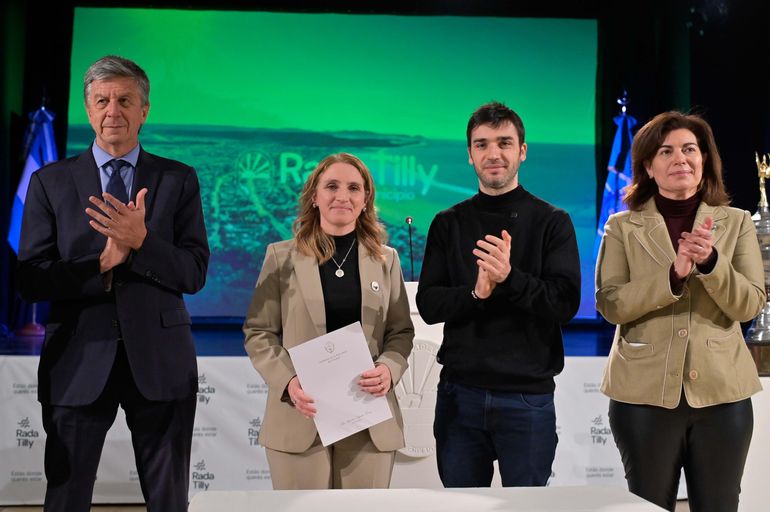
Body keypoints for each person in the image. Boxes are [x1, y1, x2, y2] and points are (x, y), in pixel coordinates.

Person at [17, 55, 209, 512]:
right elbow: (31, 279)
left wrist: (142, 241)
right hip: (77, 361)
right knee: (66, 498)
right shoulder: (49, 182)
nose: (113, 111)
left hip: (160, 363)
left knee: (168, 501)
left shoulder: (178, 179)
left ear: (144, 110)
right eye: (102, 101)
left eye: (125, 100)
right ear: (88, 110)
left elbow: (194, 272)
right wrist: (101, 263)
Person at [595, 111, 764, 512]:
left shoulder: (737, 222)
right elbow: (611, 304)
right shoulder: (622, 226)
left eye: (690, 149)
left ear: (704, 159)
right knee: (648, 505)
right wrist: (673, 276)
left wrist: (711, 264)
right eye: (666, 151)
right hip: (642, 396)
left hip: (723, 396)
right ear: (648, 167)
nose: (680, 159)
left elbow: (750, 303)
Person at [416, 101, 581, 487]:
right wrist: (476, 294)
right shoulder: (447, 223)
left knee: (527, 509)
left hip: (527, 398)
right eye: (482, 144)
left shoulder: (552, 222)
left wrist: (509, 278)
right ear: (470, 155)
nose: (493, 153)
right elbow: (429, 304)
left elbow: (565, 303)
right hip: (460, 397)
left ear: (522, 151)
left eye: (504, 143)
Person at [243, 152, 414, 489]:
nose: (342, 196)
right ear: (314, 196)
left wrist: (389, 369)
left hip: (367, 417)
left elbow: (401, 331)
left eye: (353, 188)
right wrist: (289, 382)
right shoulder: (280, 257)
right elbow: (259, 332)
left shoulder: (387, 260)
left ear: (365, 199)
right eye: (332, 186)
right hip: (301, 414)